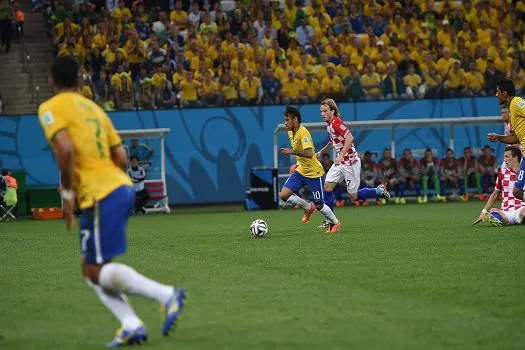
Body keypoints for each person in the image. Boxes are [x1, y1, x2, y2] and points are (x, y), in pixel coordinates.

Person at [37, 56, 185, 347]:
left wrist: (68, 195)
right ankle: (131, 324)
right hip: (119, 188)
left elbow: (65, 151)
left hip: (101, 195)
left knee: (94, 268)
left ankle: (167, 295)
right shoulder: (95, 109)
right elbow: (120, 158)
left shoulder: (50, 108)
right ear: (79, 81)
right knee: (91, 268)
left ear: (51, 81)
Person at [317, 98, 390, 210]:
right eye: (321, 111)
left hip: (350, 163)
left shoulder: (337, 123)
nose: (322, 114)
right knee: (327, 187)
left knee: (353, 196)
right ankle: (331, 220)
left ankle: (379, 190)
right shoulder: (329, 126)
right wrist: (321, 152)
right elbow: (333, 142)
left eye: (325, 111)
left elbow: (350, 138)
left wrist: (340, 156)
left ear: (332, 111)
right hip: (341, 162)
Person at [279, 105, 340, 234]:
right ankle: (308, 207)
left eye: (287, 120)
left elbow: (309, 153)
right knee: (284, 195)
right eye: (284, 120)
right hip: (301, 170)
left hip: (313, 173)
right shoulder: (290, 132)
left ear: (295, 120)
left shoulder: (303, 132)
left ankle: (335, 223)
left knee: (319, 205)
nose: (285, 123)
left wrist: (291, 151)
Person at [488, 78, 525, 200]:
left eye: (497, 91)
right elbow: (516, 138)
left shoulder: (517, 102)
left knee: (517, 191)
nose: (496, 94)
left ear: (504, 93)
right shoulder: (511, 110)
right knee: (517, 192)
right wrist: (499, 137)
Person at [475, 147, 525, 227]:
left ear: (515, 158)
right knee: (493, 211)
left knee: (524, 213)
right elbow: (494, 195)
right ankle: (498, 219)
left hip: (521, 208)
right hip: (506, 211)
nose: (504, 159)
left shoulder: (523, 173)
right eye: (504, 157)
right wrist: (483, 212)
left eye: (507, 156)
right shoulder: (503, 173)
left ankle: (520, 218)